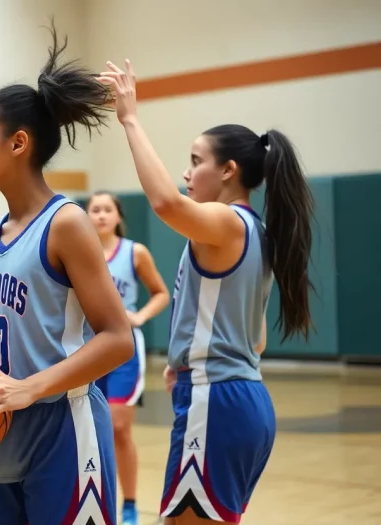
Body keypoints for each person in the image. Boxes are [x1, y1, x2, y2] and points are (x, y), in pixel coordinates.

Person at [98, 60, 314, 524]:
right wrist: (186, 362)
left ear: (229, 170)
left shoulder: (227, 222)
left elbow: (164, 203)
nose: (186, 173)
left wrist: (130, 119)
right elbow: (255, 339)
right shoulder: (255, 230)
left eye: (196, 162)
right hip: (236, 398)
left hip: (216, 401)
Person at [0, 22, 135, 525]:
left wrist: (30, 387)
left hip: (62, 432)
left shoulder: (66, 223)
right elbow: (5, 332)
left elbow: (118, 339)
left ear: (18, 144)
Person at [84, 191, 170, 525]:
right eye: (95, 210)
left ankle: (130, 503)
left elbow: (161, 293)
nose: (102, 215)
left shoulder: (135, 253)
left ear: (118, 216)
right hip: (86, 349)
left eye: (108, 209)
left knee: (119, 428)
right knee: (89, 430)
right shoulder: (78, 250)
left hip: (122, 349)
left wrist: (141, 316)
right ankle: (95, 499)